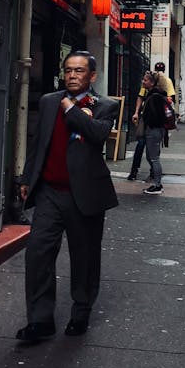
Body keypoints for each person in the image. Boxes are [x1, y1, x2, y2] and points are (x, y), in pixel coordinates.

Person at [15, 51, 119, 343]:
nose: (72, 75)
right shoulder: (49, 101)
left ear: (92, 76)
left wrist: (71, 110)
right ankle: (40, 320)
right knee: (37, 253)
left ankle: (80, 311)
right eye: (69, 70)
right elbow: (39, 142)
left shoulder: (104, 106)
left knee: (84, 258)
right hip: (49, 191)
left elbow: (98, 134)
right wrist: (27, 178)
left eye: (79, 71)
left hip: (83, 194)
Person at [128, 60, 175, 180]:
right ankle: (140, 171)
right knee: (146, 147)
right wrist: (137, 112)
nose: (143, 81)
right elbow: (141, 97)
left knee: (149, 149)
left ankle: (150, 173)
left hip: (153, 123)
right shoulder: (153, 83)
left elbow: (169, 99)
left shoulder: (160, 89)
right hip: (150, 122)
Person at [141, 70, 168, 194]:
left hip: (154, 129)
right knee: (150, 156)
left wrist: (146, 119)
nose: (143, 81)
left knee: (154, 158)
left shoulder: (154, 96)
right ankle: (157, 183)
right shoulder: (156, 94)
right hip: (156, 129)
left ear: (151, 83)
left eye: (145, 80)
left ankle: (158, 185)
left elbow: (155, 116)